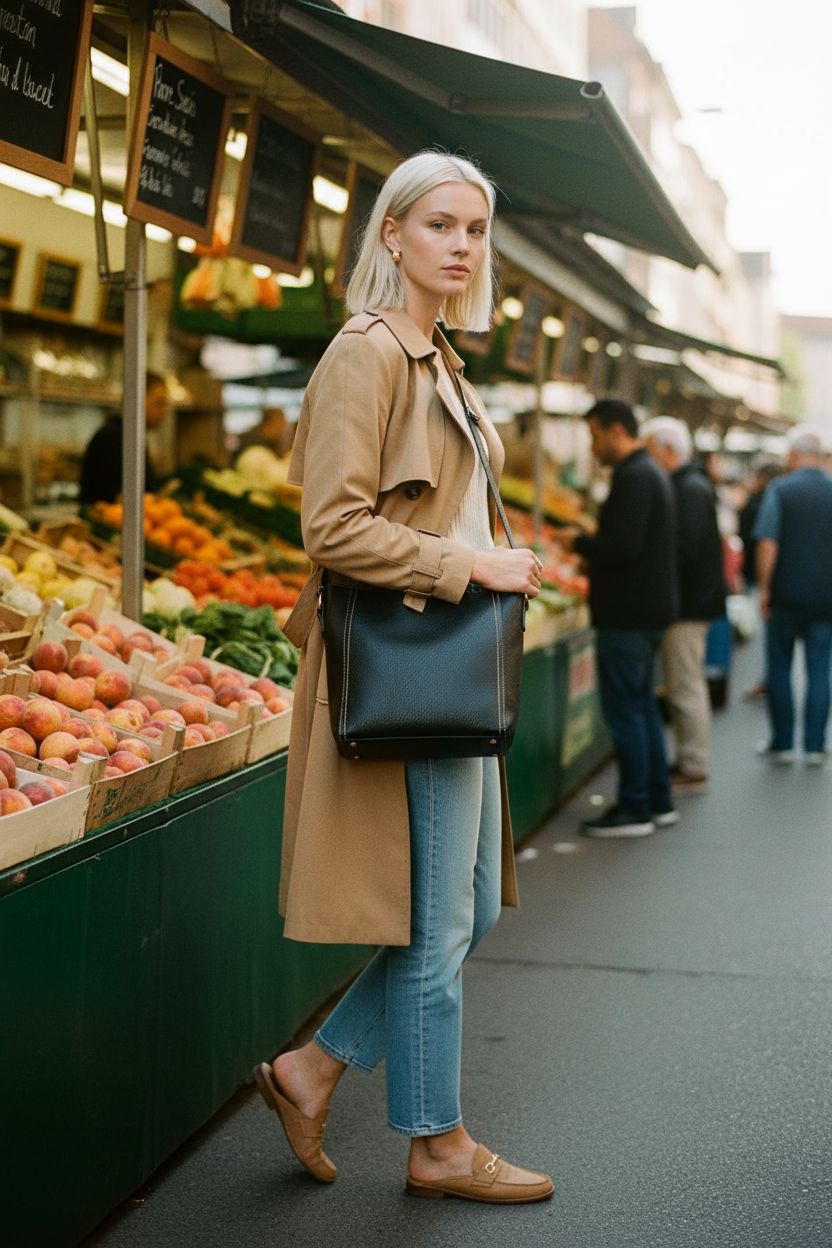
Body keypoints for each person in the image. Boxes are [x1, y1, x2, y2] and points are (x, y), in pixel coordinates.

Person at [252, 151, 553, 1205]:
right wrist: (469, 566)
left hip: (448, 659)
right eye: (439, 225)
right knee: (440, 922)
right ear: (391, 233)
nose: (461, 246)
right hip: (415, 663)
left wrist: (488, 557)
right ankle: (437, 1143)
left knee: (469, 910)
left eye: (475, 229)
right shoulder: (366, 353)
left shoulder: (440, 359)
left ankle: (313, 1068)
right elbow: (333, 526)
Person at [560, 399, 679, 837]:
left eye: (595, 436)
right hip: (645, 613)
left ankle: (634, 807)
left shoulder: (634, 477)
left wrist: (581, 545)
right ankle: (657, 800)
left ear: (615, 431)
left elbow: (624, 545)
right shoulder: (649, 472)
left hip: (628, 615)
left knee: (626, 711)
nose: (593, 447)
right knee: (642, 707)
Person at [644, 417, 726, 794]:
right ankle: (690, 760)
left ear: (667, 450)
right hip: (692, 601)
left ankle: (694, 766)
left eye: (650, 451)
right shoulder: (691, 483)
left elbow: (684, 550)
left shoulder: (688, 488)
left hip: (688, 605)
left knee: (684, 685)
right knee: (683, 682)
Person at [753, 426, 832, 764]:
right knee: (820, 670)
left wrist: (765, 587)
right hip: (826, 598)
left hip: (786, 595)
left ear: (795, 455)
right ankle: (814, 746)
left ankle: (782, 743)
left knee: (780, 666)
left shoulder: (780, 490)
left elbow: (768, 543)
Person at [79, 371, 167, 504]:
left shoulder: (131, 436)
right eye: (159, 403)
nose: (164, 412)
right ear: (136, 400)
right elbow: (115, 498)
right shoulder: (114, 438)